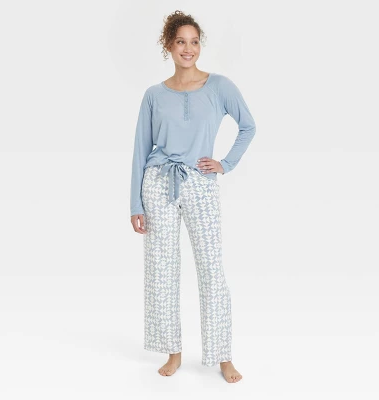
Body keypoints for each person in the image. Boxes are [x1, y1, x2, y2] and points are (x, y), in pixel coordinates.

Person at [130, 10, 256, 384]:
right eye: (181, 42)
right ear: (169, 46)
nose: (189, 48)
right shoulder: (154, 95)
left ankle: (222, 355)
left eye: (194, 41)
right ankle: (173, 351)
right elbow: (140, 150)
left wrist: (225, 164)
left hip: (200, 182)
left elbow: (248, 126)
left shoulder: (219, 87)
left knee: (212, 269)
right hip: (158, 183)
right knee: (162, 270)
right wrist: (135, 203)